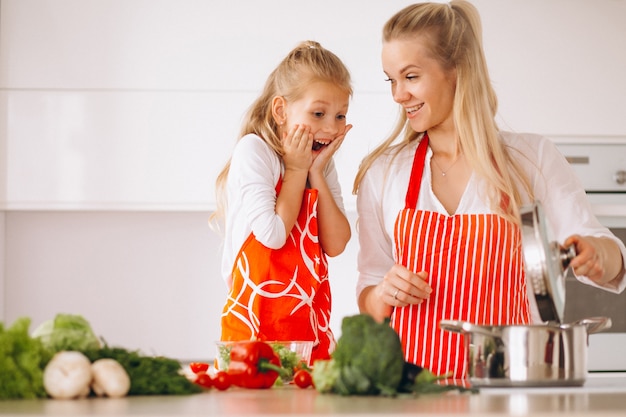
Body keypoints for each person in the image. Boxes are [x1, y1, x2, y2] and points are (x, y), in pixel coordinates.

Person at [353, 1, 626, 379]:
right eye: (391, 79)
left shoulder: (531, 160)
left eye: (411, 77)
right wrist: (383, 294)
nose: (398, 94)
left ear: (457, 70)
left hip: (510, 390)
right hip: (411, 393)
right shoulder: (384, 173)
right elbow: (369, 293)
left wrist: (598, 255)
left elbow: (608, 255)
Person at [212, 40, 353, 362]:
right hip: (254, 330)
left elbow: (337, 243)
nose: (331, 127)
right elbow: (273, 235)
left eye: (340, 115)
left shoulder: (320, 165)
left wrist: (315, 172)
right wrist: (296, 169)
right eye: (318, 113)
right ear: (281, 110)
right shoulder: (254, 151)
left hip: (309, 328)